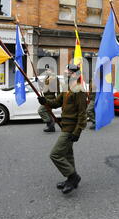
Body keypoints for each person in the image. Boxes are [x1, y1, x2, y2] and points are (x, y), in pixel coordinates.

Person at [37, 64, 87, 194]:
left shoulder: (79, 90)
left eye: (68, 73)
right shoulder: (66, 88)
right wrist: (45, 102)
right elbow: (56, 103)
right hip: (64, 125)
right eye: (65, 72)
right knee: (68, 154)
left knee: (55, 154)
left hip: (70, 128)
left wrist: (77, 132)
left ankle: (73, 177)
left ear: (75, 75)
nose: (65, 74)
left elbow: (82, 114)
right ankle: (71, 179)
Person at [37, 64, 60, 133]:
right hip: (46, 97)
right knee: (48, 112)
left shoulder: (54, 77)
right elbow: (44, 86)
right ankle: (51, 127)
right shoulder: (47, 77)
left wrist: (59, 100)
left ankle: (49, 123)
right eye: (46, 69)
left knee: (41, 110)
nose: (47, 71)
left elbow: (56, 88)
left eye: (48, 69)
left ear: (52, 70)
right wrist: (38, 81)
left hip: (50, 98)